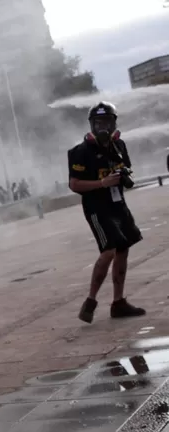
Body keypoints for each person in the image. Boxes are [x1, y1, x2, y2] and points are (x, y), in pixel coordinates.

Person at [68, 102, 147, 323]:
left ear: (114, 123)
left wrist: (122, 174)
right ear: (92, 125)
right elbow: (74, 184)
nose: (103, 127)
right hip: (97, 207)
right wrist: (102, 182)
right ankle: (90, 301)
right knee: (109, 250)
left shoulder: (119, 145)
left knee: (123, 248)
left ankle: (118, 302)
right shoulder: (80, 152)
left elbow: (126, 169)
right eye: (98, 122)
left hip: (118, 204)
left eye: (107, 122)